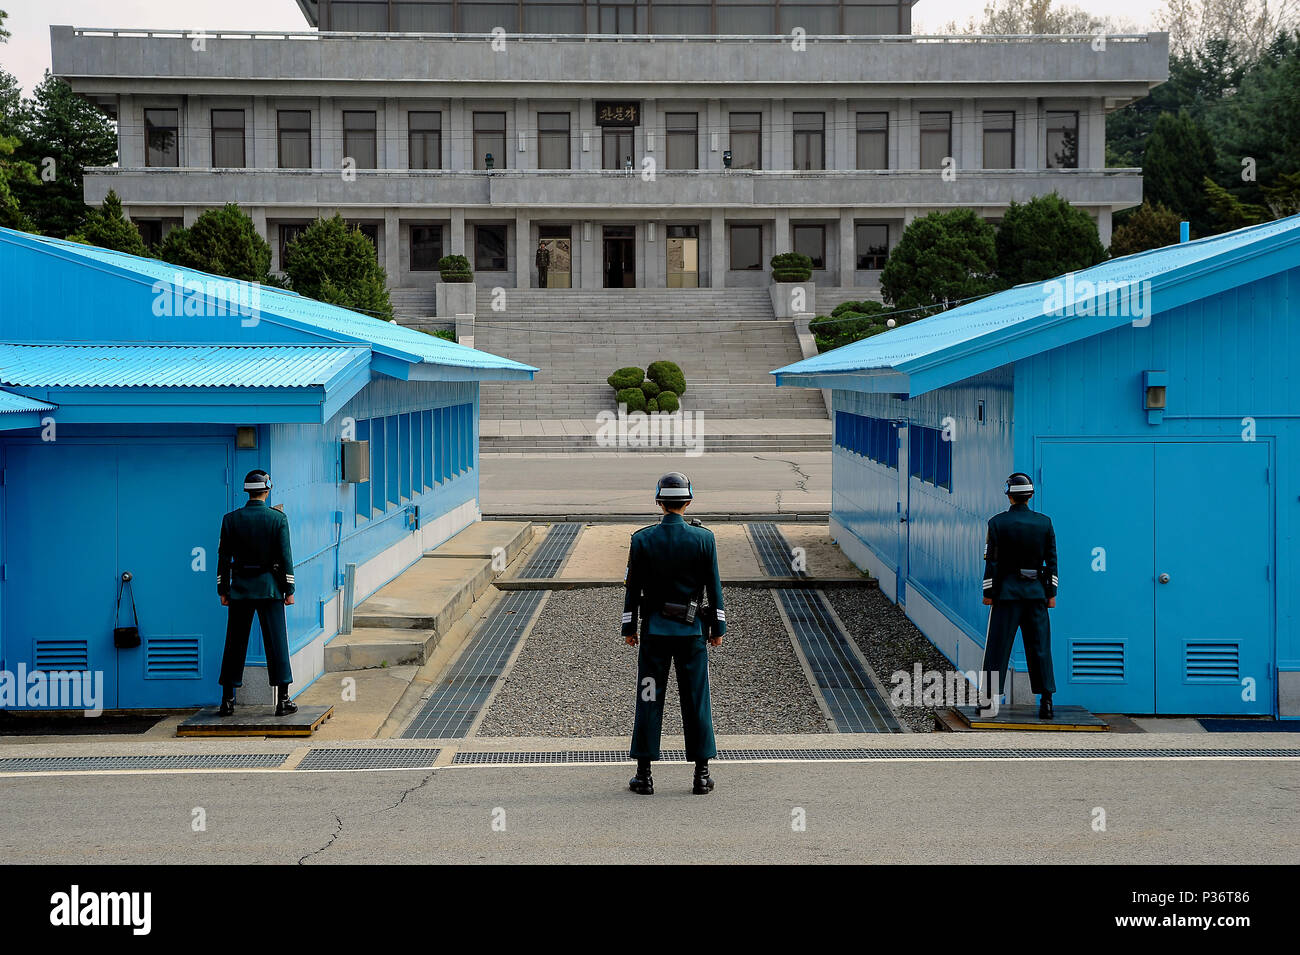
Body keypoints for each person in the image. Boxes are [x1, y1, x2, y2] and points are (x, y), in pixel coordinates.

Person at [622, 472, 725, 795]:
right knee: (696, 700)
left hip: (654, 633)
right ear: (688, 501)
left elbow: (632, 589)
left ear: (659, 501)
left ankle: (644, 775)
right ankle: (701, 775)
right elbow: (714, 588)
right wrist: (718, 628)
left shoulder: (642, 539)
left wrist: (629, 627)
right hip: (692, 633)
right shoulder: (704, 539)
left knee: (648, 698)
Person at [216, 470, 297, 717]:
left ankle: (227, 700)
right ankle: (283, 700)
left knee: (234, 643)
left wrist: (223, 589)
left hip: (240, 589)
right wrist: (289, 590)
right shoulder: (277, 519)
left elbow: (223, 558)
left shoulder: (230, 520)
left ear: (247, 491)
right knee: (277, 643)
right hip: (269, 588)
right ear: (267, 489)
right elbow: (285, 557)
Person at [980, 472, 1059, 719]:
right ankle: (1046, 702)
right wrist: (1051, 593)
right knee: (1040, 647)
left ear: (1009, 495)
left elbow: (992, 562)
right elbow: (1052, 561)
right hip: (1036, 594)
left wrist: (988, 592)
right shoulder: (1045, 523)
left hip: (1006, 595)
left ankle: (989, 703)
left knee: (998, 647)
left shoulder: (996, 523)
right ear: (1030, 495)